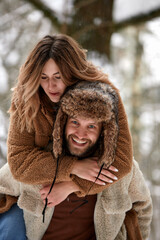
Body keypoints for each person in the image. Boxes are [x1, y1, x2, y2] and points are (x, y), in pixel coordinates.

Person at [0, 34, 133, 239]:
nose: (51, 86)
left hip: (84, 205)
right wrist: (73, 167)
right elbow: (18, 161)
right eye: (43, 77)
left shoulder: (104, 95)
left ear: (73, 72)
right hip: (25, 192)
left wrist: (73, 185)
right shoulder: (27, 99)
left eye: (58, 76)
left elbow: (122, 161)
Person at [0, 81, 152, 240]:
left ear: (103, 131)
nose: (81, 134)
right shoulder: (37, 162)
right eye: (75, 122)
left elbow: (143, 207)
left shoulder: (120, 169)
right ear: (63, 123)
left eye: (91, 126)